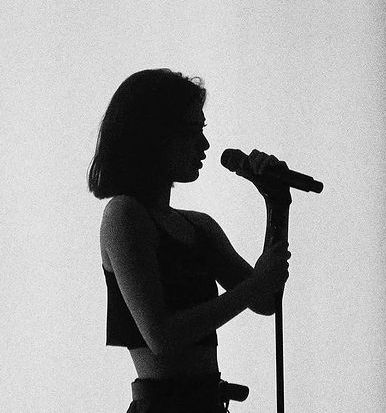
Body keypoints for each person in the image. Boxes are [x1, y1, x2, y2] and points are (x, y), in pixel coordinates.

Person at [87, 68, 291, 413]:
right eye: (191, 132)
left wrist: (277, 203)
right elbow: (161, 337)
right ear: (154, 135)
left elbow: (267, 300)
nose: (205, 144)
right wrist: (254, 286)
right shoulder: (124, 214)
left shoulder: (199, 226)